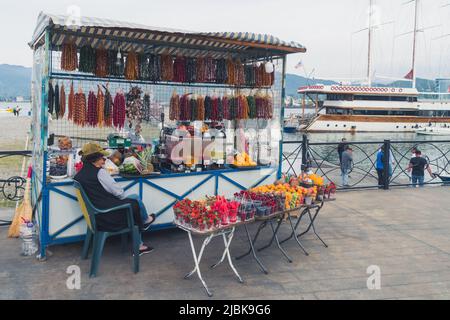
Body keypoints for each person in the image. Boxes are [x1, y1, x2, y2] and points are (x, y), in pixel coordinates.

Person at [74, 143, 156, 256]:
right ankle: (139, 243)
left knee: (134, 199)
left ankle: (145, 221)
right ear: (94, 159)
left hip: (96, 214)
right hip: (108, 218)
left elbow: (97, 191)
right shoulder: (100, 173)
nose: (104, 160)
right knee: (134, 204)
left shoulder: (79, 175)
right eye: (102, 158)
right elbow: (119, 193)